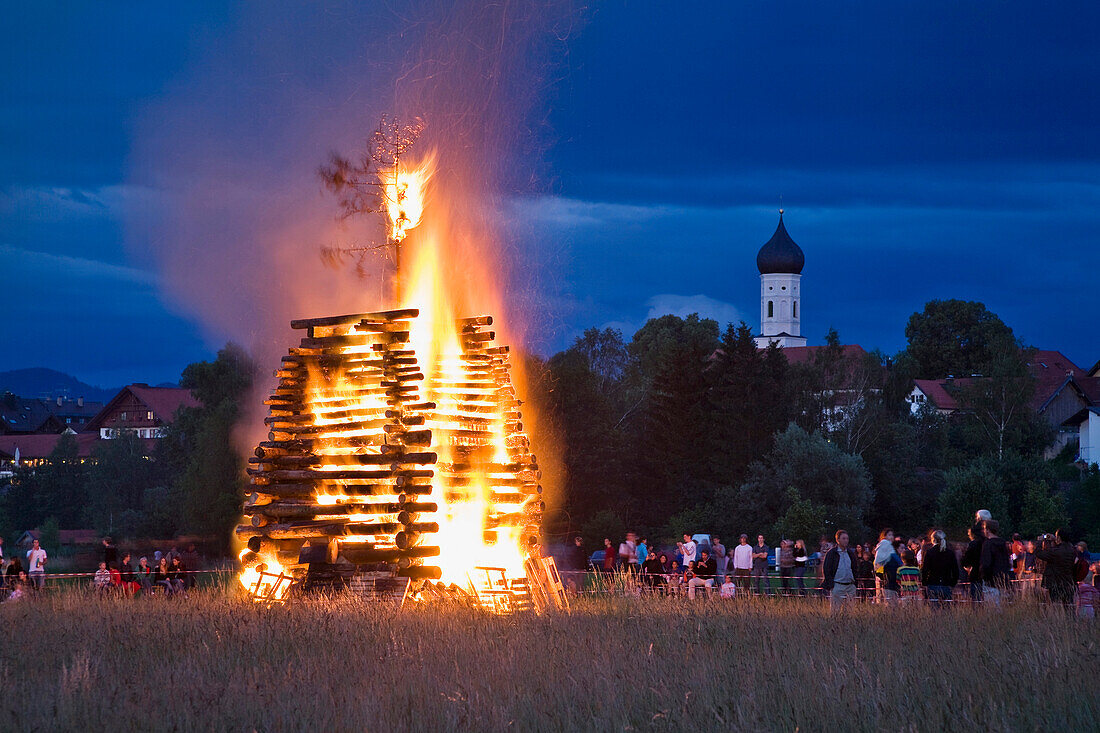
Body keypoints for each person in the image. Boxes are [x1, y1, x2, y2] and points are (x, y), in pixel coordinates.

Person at [1036, 529, 1077, 607]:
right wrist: (1055, 539)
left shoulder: (1056, 552)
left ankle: (1057, 619)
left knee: (1056, 606)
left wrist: (1039, 541)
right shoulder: (1071, 549)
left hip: (1056, 582)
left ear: (1059, 538)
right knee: (1069, 607)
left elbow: (1039, 554)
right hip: (1068, 582)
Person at [921, 529, 959, 607]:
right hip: (946, 584)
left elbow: (925, 569)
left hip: (933, 584)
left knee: (934, 609)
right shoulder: (950, 553)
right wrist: (953, 583)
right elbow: (955, 570)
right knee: (946, 609)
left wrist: (924, 582)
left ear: (933, 540)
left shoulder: (929, 552)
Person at [822, 530, 858, 610]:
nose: (846, 541)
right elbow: (826, 569)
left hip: (850, 586)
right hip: (837, 585)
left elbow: (855, 568)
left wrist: (855, 583)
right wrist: (831, 585)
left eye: (847, 539)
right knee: (835, 611)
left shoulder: (850, 553)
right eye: (843, 538)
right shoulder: (832, 553)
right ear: (838, 540)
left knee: (849, 611)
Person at [980, 520, 1013, 606]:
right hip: (1003, 580)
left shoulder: (988, 544)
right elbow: (1008, 562)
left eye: (984, 529)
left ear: (988, 530)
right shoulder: (1003, 543)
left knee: (991, 608)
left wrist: (984, 576)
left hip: (990, 581)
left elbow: (986, 563)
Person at [961, 523, 985, 603]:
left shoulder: (973, 544)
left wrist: (965, 565)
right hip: (988, 574)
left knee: (976, 598)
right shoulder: (986, 542)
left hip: (976, 573)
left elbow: (966, 559)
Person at [873, 529, 895, 603]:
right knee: (882, 599)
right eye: (889, 535)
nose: (891, 537)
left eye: (892, 535)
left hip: (889, 576)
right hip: (882, 575)